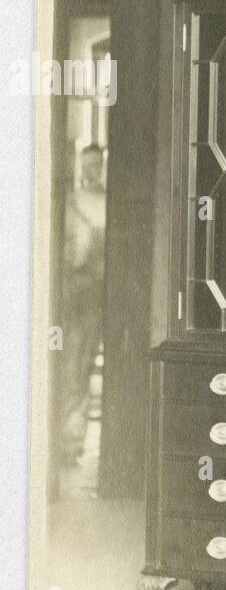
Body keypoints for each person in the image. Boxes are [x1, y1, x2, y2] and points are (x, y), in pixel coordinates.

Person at [61, 144, 106, 467]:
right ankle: (67, 442)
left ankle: (75, 442)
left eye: (95, 166)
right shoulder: (72, 203)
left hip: (97, 295)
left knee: (86, 362)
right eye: (84, 166)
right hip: (72, 292)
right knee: (70, 365)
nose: (89, 172)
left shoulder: (107, 203)